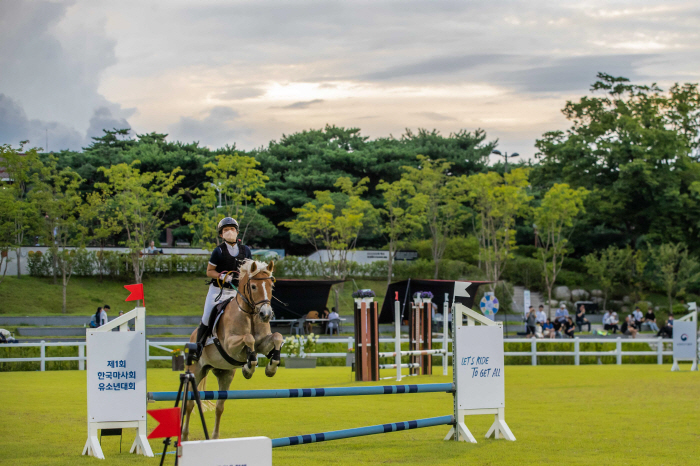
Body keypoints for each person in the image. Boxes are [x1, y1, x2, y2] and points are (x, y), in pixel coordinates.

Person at [194, 217, 252, 361]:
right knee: (207, 316)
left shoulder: (246, 250)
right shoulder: (218, 251)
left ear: (237, 232)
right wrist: (222, 276)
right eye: (226, 230)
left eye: (232, 229)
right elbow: (209, 271)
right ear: (221, 235)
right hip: (218, 291)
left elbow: (250, 269)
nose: (229, 232)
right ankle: (198, 347)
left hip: (236, 292)